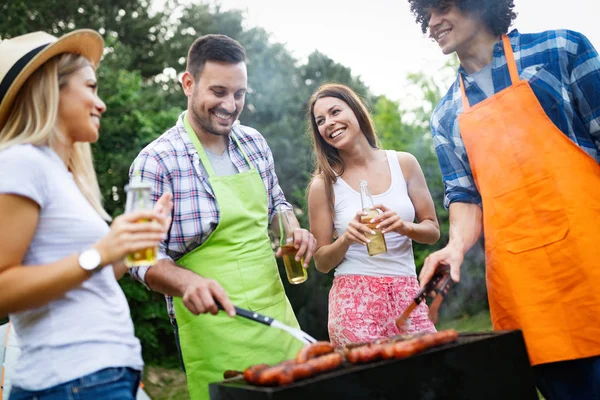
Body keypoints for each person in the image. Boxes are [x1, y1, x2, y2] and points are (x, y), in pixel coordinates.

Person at [406, 1, 600, 398]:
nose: (432, 23)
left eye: (441, 8)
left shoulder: (560, 50)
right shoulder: (445, 116)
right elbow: (463, 198)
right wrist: (454, 246)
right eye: (425, 14)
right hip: (528, 292)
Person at [129, 34, 317, 400]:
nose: (230, 105)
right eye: (218, 91)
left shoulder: (255, 143)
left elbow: (277, 203)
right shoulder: (152, 161)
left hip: (275, 316)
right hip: (211, 329)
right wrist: (185, 283)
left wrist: (293, 230)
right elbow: (136, 255)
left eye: (239, 94)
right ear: (188, 83)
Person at [0, 30, 172, 400]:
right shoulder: (21, 162)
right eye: (91, 87)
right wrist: (101, 250)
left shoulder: (61, 177)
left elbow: (94, 273)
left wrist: (131, 246)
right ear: (51, 90)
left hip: (103, 375)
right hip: (71, 380)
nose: (101, 103)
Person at [306, 83, 440, 348]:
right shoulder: (323, 185)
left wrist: (404, 227)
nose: (329, 123)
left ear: (356, 111)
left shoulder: (404, 163)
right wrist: (345, 239)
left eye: (335, 112)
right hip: (354, 301)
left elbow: (433, 231)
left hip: (408, 294)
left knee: (430, 377)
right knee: (373, 387)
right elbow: (321, 262)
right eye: (321, 121)